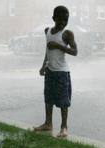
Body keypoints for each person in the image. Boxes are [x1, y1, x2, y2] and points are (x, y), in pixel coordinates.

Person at [34, 6, 78, 137]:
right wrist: (43, 66)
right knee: (48, 98)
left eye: (66, 20)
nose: (63, 23)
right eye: (60, 20)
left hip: (62, 73)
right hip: (50, 71)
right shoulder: (47, 31)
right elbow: (47, 52)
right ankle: (48, 123)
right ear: (53, 18)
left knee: (63, 101)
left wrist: (58, 46)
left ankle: (64, 127)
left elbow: (75, 52)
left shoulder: (67, 34)